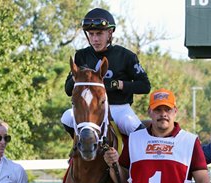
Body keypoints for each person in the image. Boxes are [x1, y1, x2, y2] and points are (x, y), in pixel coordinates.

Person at [61, 7, 151, 138]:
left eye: (99, 34)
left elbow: (145, 86)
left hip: (119, 109)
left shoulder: (126, 56)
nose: (95, 39)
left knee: (131, 124)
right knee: (66, 117)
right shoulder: (81, 55)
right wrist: (78, 77)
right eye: (91, 34)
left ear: (110, 33)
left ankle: (143, 155)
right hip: (91, 109)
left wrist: (117, 84)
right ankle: (77, 151)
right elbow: (68, 90)